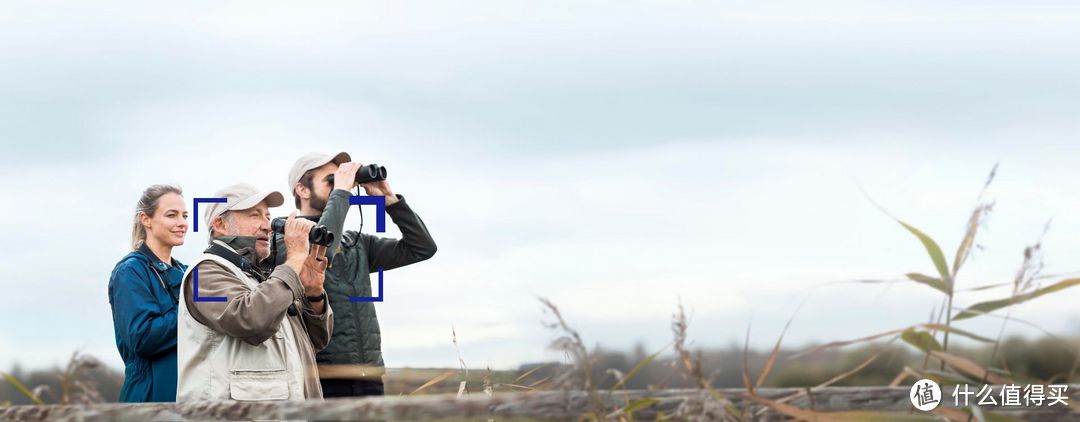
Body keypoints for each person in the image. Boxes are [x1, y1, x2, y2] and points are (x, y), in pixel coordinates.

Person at [280, 152, 436, 397]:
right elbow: (323, 251)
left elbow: (422, 248)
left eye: (343, 180)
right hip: (321, 379)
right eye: (331, 180)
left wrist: (390, 201)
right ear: (303, 189)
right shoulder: (288, 239)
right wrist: (341, 191)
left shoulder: (357, 243)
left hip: (370, 376)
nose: (342, 187)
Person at [176, 183, 333, 401]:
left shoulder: (263, 278)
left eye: (268, 216)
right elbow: (249, 320)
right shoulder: (204, 273)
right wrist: (294, 259)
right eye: (254, 215)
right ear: (220, 224)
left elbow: (317, 340)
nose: (267, 226)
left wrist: (313, 292)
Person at [108, 184, 189, 402]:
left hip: (187, 395)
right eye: (172, 215)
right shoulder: (130, 271)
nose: (182, 223)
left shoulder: (188, 272)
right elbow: (142, 337)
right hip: (149, 396)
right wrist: (193, 311)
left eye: (184, 215)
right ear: (146, 219)